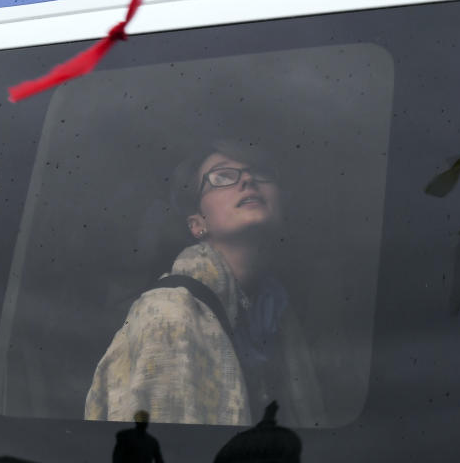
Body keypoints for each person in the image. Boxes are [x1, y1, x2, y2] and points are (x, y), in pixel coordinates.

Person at [85, 140, 324, 425]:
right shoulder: (168, 313)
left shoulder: (279, 316)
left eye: (260, 173)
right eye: (221, 177)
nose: (248, 180)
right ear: (198, 223)